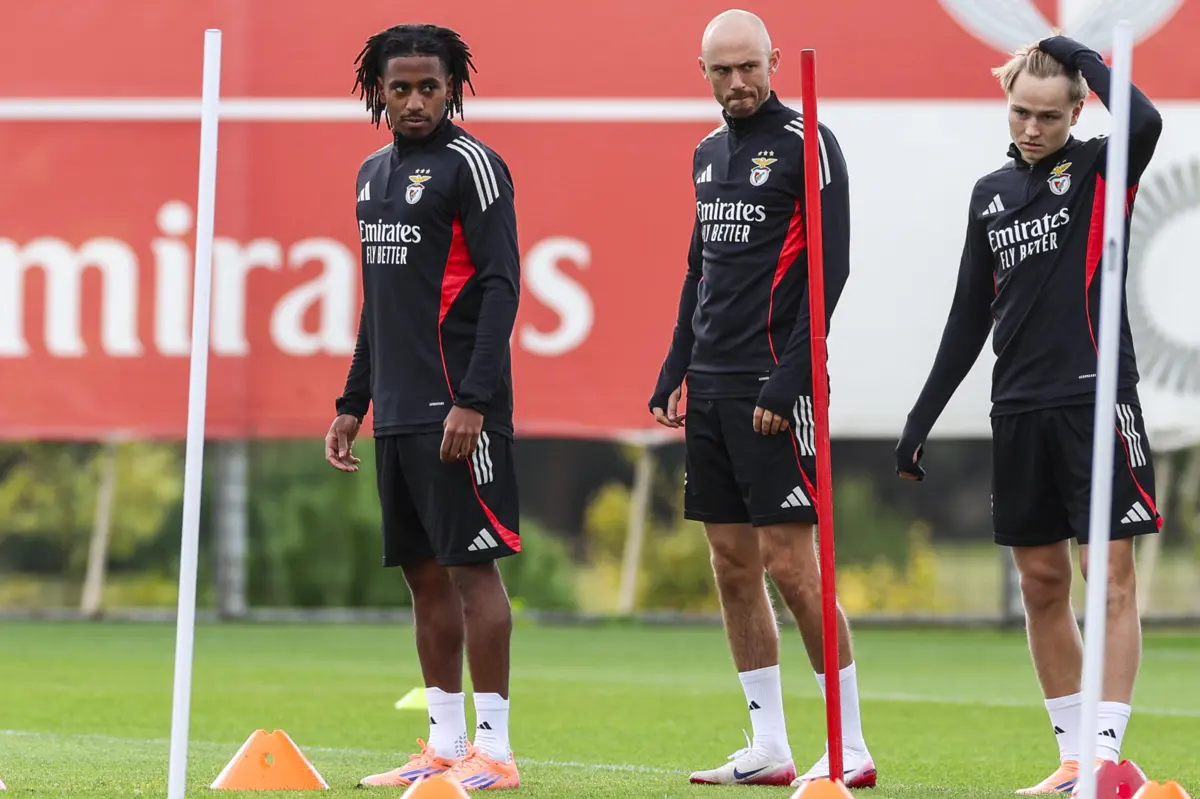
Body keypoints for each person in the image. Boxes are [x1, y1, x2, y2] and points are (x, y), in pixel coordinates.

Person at [894, 35, 1164, 795]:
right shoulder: (990, 193)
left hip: (1095, 400)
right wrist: (920, 417)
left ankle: (1105, 754)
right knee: (1042, 584)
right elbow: (967, 316)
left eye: (1049, 115)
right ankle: (1075, 758)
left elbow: (1144, 118)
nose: (1032, 128)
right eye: (1021, 112)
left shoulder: (1102, 167)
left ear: (1077, 111)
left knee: (1107, 577)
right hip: (1016, 408)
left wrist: (1076, 53)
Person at [648, 8, 876, 790]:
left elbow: (832, 267)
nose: (738, 82)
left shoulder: (809, 142)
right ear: (703, 73)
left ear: (774, 61)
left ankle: (850, 743)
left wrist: (791, 378)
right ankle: (769, 743)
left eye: (749, 66)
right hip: (710, 384)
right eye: (723, 70)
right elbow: (698, 269)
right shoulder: (708, 152)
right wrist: (675, 364)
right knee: (731, 564)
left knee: (792, 566)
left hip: (776, 381)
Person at [325, 22, 523, 791]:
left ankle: (494, 751)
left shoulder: (475, 166)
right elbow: (379, 302)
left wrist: (474, 398)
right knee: (423, 577)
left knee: (472, 571)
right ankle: (443, 746)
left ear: (452, 88)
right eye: (400, 88)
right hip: (399, 411)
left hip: (458, 410)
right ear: (377, 90)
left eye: (428, 87)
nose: (414, 101)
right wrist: (354, 400)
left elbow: (501, 285)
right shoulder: (370, 174)